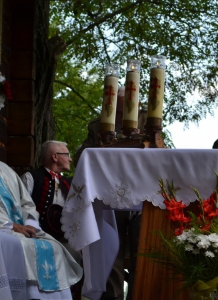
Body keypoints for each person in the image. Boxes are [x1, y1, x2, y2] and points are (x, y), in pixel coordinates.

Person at [74, 86, 146, 300]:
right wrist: (100, 145)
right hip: (109, 199)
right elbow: (80, 159)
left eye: (129, 111)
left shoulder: (148, 123)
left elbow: (162, 157)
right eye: (120, 112)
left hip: (142, 199)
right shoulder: (99, 126)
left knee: (142, 256)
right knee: (111, 254)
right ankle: (112, 297)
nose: (124, 117)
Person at [0, 161, 83, 299]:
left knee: (54, 247)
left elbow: (26, 203)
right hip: (4, 228)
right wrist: (10, 225)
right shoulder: (32, 176)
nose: (69, 159)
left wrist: (31, 223)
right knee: (15, 245)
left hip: (21, 228)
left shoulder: (6, 169)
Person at [20, 140, 81, 263]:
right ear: (55, 156)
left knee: (77, 258)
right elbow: (18, 207)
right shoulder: (31, 177)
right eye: (67, 155)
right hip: (34, 237)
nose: (70, 159)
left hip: (63, 238)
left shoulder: (70, 184)